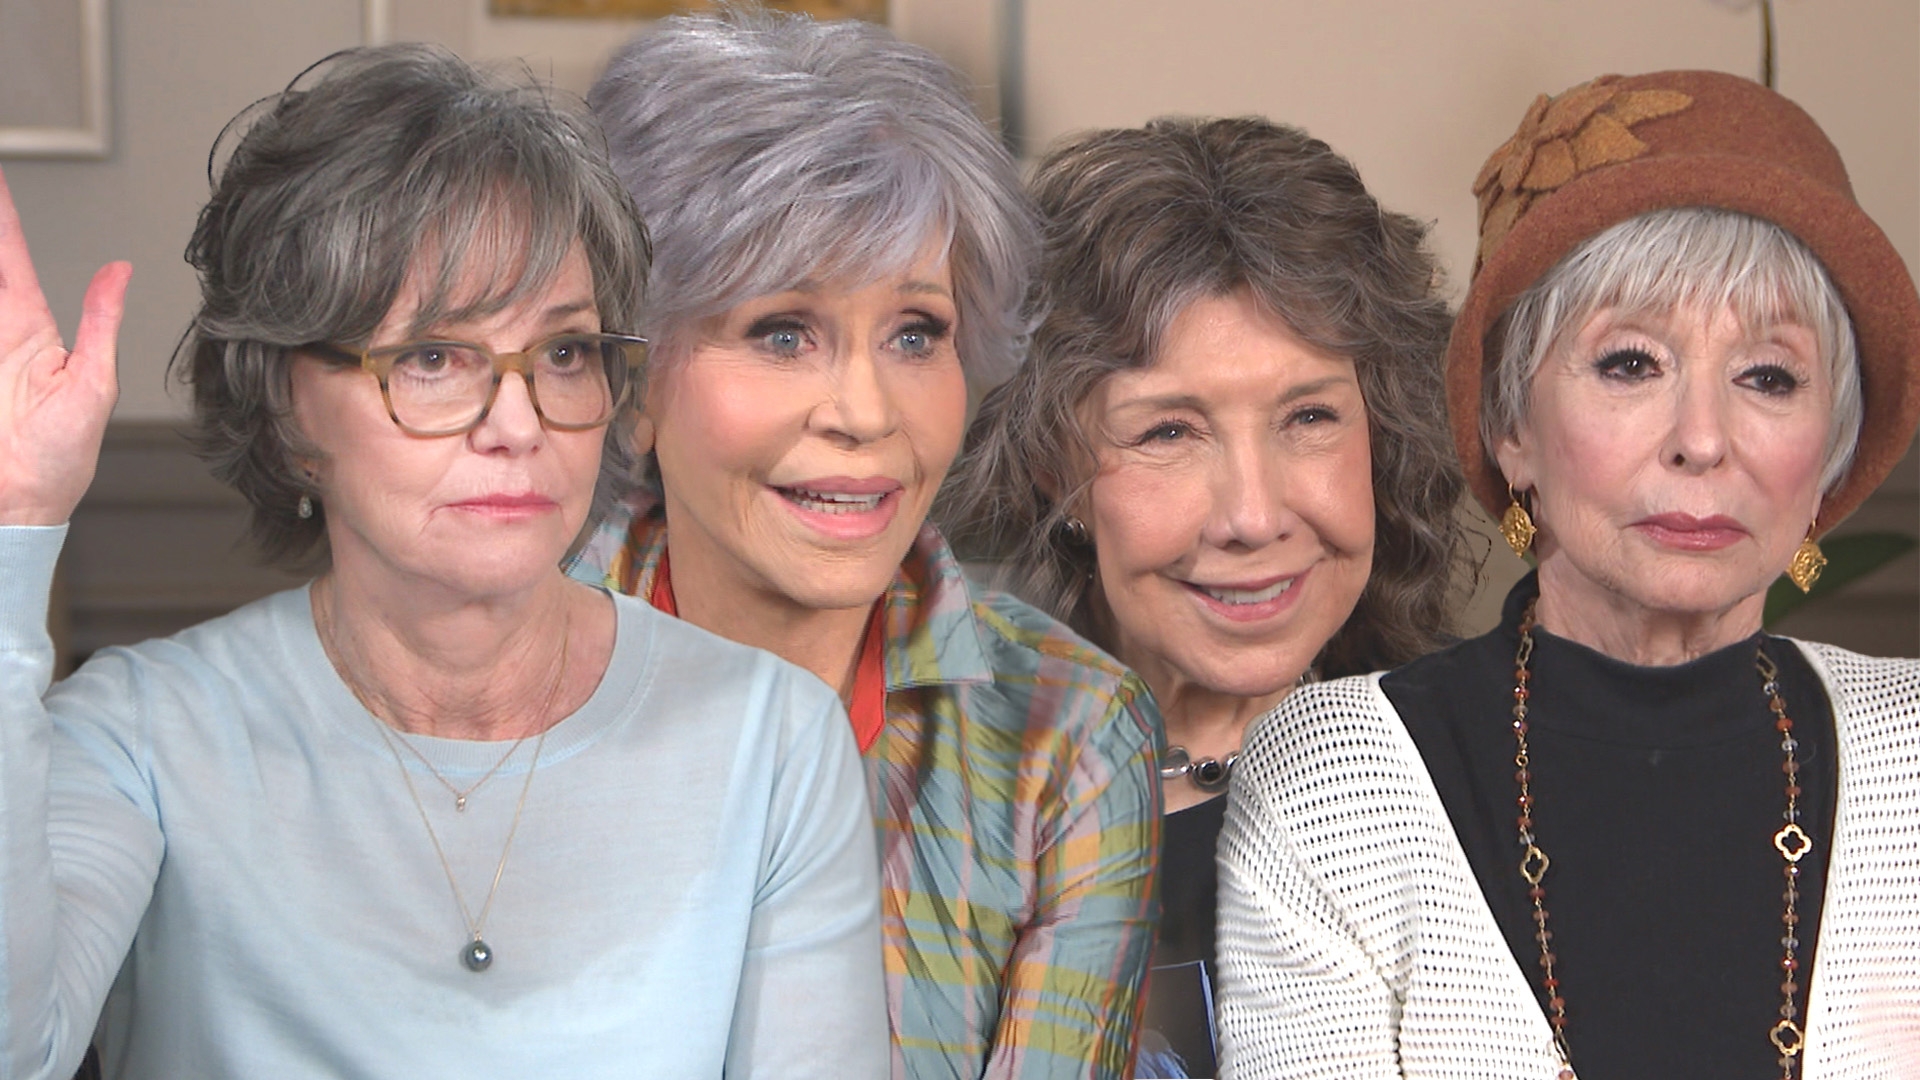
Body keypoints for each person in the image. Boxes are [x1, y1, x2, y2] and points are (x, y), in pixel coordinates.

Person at [0, 44, 886, 1080]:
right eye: (432, 357)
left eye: (563, 352)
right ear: (288, 408)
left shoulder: (770, 741)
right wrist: (15, 519)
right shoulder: (142, 737)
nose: (518, 422)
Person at [1216, 70, 1920, 1080]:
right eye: (1631, 363)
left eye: (1769, 376)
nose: (1703, 441)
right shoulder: (1335, 786)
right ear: (1512, 429)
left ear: (1828, 460)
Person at [573, 10, 1163, 1078]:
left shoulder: (1067, 733)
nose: (866, 409)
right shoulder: (470, 690)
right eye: (782, 332)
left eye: (914, 334)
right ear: (631, 384)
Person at [940, 117, 1467, 1077]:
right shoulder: (945, 822)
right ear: (1053, 464)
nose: (1254, 517)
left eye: (1310, 416)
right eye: (1169, 434)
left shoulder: (1495, 783)